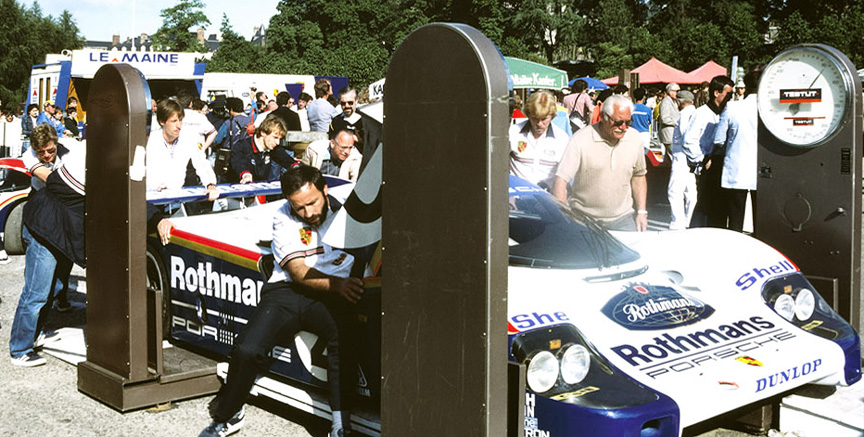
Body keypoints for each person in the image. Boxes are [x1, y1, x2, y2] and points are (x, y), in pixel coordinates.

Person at [199, 166, 363, 437]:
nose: (308, 213)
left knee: (342, 336)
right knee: (247, 349)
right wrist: (339, 285)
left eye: (312, 203)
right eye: (300, 208)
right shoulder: (282, 217)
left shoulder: (348, 213)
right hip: (287, 291)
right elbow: (298, 273)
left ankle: (340, 425)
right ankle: (228, 415)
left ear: (324, 190)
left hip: (331, 294)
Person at [9, 131, 86, 367]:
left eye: (50, 151)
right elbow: (54, 181)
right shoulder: (29, 156)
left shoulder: (71, 148)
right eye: (41, 152)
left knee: (56, 284)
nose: (46, 155)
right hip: (44, 223)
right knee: (36, 291)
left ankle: (37, 331)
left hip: (61, 223)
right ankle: (19, 348)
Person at [552, 94, 648, 231]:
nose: (624, 127)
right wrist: (564, 219)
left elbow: (639, 176)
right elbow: (561, 180)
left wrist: (642, 212)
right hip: (584, 219)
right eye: (619, 122)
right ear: (603, 117)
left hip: (623, 219)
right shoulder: (580, 139)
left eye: (629, 122)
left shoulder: (635, 139)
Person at [713, 66, 761, 232]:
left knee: (735, 221)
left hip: (736, 168)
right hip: (762, 169)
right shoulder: (770, 110)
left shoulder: (733, 108)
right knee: (762, 221)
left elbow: (718, 138)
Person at [683, 75, 735, 228]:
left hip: (724, 166)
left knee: (720, 209)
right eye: (728, 94)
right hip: (708, 166)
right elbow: (689, 140)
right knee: (705, 208)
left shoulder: (728, 113)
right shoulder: (701, 113)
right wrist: (703, 160)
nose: (731, 98)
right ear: (716, 93)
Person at [146, 99, 219, 201]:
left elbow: (202, 163)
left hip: (176, 201)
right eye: (174, 121)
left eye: (180, 120)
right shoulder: (148, 141)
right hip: (150, 202)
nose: (179, 125)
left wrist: (210, 185)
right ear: (162, 121)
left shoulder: (188, 139)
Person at [508, 90, 569, 190]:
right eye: (535, 118)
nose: (539, 124)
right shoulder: (513, 132)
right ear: (528, 114)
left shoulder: (562, 139)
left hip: (546, 199)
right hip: (517, 198)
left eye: (544, 118)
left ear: (552, 116)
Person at [231, 113, 298, 183]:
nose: (278, 142)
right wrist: (246, 175)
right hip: (240, 188)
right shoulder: (242, 146)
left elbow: (286, 160)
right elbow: (239, 162)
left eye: (279, 139)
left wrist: (297, 168)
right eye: (275, 137)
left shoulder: (273, 148)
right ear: (263, 132)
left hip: (261, 189)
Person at [667, 90, 698, 230]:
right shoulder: (696, 113)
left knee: (675, 190)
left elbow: (686, 136)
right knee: (690, 190)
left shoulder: (684, 115)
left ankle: (677, 222)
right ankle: (689, 219)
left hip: (682, 154)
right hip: (692, 155)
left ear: (679, 102)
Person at [329, 88, 366, 154]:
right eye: (343, 103)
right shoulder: (335, 122)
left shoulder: (365, 122)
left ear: (356, 101)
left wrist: (360, 141)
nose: (347, 106)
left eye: (350, 103)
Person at [658, 83, 680, 156]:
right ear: (670, 92)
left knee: (669, 159)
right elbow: (665, 118)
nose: (678, 93)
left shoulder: (673, 101)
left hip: (672, 135)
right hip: (669, 135)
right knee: (674, 156)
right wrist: (677, 122)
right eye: (676, 91)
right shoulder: (666, 102)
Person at [631, 87, 652, 152]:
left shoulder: (630, 108)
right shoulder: (647, 109)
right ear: (644, 97)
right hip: (644, 133)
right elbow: (650, 121)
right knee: (645, 153)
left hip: (632, 132)